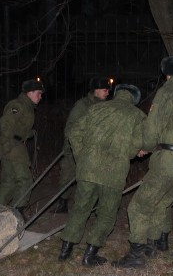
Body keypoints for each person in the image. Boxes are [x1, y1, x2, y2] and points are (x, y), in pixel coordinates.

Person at [113, 56, 173, 269]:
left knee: (138, 206)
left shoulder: (168, 92)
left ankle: (136, 254)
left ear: (168, 74)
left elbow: (153, 127)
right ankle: (151, 246)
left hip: (168, 161)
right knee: (160, 203)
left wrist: (145, 145)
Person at [58, 84, 145, 266]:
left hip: (88, 168)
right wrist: (126, 153)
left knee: (80, 207)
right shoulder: (138, 116)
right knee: (106, 213)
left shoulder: (96, 108)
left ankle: (65, 250)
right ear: (134, 98)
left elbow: (74, 131)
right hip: (113, 172)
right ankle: (90, 254)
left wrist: (82, 156)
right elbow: (135, 146)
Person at [55, 77, 112, 213]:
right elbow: (70, 128)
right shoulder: (82, 105)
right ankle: (62, 203)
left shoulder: (106, 107)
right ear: (96, 90)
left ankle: (92, 205)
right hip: (76, 148)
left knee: (93, 178)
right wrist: (73, 147)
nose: (108, 93)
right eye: (105, 90)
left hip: (95, 150)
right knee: (68, 175)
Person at [0, 78, 44, 218]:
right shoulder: (18, 104)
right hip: (12, 146)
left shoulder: (27, 107)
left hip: (13, 145)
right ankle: (18, 213)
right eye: (39, 93)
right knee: (25, 180)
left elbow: (18, 127)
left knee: (9, 182)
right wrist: (7, 145)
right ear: (30, 92)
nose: (40, 97)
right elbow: (6, 123)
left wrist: (28, 133)